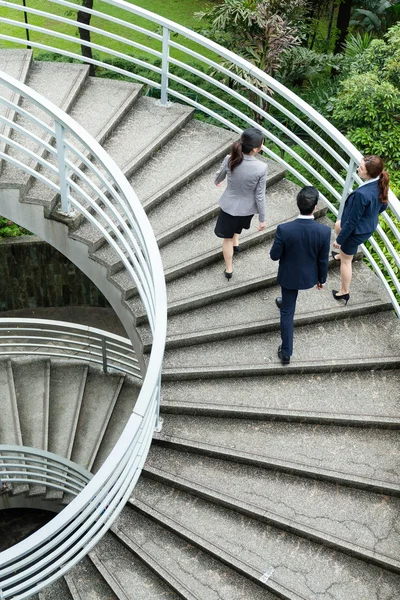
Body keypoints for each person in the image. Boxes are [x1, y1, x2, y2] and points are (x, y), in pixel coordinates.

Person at [270, 186, 331, 365]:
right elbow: (322, 260)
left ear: (297, 204)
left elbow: (274, 256)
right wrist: (322, 279)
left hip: (288, 276)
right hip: (308, 277)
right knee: (288, 303)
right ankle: (284, 301)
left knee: (287, 312)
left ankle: (286, 352)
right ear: (316, 206)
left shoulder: (284, 229)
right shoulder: (324, 231)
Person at [332, 155, 389, 304]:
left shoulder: (361, 194)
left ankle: (344, 291)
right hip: (367, 226)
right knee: (338, 224)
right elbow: (384, 205)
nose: (358, 169)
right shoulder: (379, 183)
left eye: (361, 168)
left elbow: (351, 222)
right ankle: (342, 253)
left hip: (356, 231)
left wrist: (339, 240)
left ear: (369, 173)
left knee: (346, 261)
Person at [214, 127, 267, 279]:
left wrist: (218, 181)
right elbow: (260, 195)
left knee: (227, 239)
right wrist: (262, 219)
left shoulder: (230, 159)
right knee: (238, 227)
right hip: (247, 209)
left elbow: (219, 176)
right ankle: (236, 241)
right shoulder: (261, 168)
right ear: (256, 149)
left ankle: (229, 269)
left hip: (229, 207)